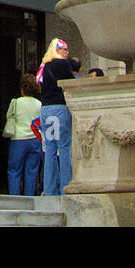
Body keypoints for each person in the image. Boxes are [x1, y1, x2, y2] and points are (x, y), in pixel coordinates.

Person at [38, 39, 80, 196]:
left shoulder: (45, 65)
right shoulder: (63, 64)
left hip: (45, 110)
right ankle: (65, 188)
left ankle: (49, 190)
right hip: (60, 108)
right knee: (64, 149)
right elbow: (71, 84)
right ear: (57, 49)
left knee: (49, 150)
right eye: (65, 49)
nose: (67, 53)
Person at [3, 74, 42, 196]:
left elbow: (9, 116)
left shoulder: (16, 102)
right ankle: (29, 197)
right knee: (32, 171)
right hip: (35, 140)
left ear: (22, 88)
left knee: (14, 170)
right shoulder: (39, 104)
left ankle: (14, 196)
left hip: (18, 139)